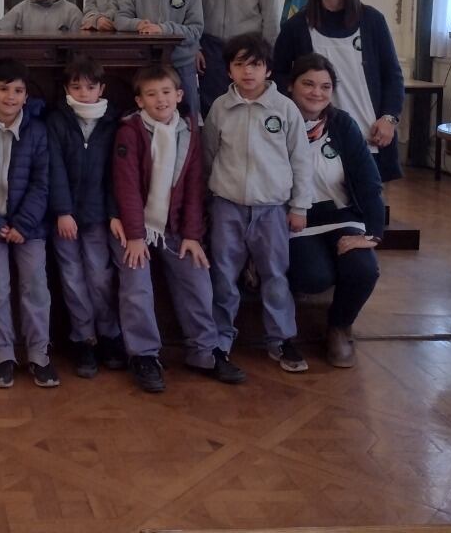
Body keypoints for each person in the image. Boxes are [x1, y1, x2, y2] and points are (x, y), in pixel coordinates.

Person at [110, 64, 246, 393]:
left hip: (173, 227)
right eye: (152, 94)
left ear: (179, 95)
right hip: (134, 227)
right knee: (137, 285)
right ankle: (144, 355)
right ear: (140, 101)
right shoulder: (130, 131)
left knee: (197, 279)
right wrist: (136, 237)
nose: (161, 100)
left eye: (167, 93)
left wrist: (191, 236)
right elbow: (126, 188)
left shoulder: (189, 132)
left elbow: (194, 187)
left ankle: (205, 350)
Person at [205, 33, 314, 374]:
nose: (248, 72)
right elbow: (209, 155)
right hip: (227, 206)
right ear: (229, 71)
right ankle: (221, 338)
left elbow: (301, 161)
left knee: (275, 275)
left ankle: (280, 338)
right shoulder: (220, 108)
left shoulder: (284, 109)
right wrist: (212, 198)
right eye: (239, 64)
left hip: (271, 209)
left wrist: (299, 207)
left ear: (268, 69)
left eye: (255, 64)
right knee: (223, 275)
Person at [285, 53, 385, 368]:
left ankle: (340, 326)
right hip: (298, 219)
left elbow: (369, 183)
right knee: (314, 277)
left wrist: (373, 235)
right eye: (309, 84)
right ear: (290, 87)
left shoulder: (342, 124)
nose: (317, 93)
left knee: (363, 268)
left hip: (342, 217)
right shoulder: (277, 121)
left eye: (325, 86)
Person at [273, 0, 405, 182]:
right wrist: (298, 115)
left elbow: (392, 75)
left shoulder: (372, 21)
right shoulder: (297, 26)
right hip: (312, 135)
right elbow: (279, 75)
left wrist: (389, 118)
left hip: (368, 134)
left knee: (367, 206)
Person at [0, 59, 59, 388]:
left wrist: (23, 223)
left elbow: (41, 183)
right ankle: (3, 355)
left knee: (35, 286)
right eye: (3, 89)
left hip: (29, 227)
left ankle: (39, 355)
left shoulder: (36, 131)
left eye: (18, 91)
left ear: (25, 95)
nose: (10, 97)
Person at [47, 57, 124, 378]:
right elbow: (54, 169)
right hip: (64, 218)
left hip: (97, 217)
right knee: (72, 279)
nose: (83, 93)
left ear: (101, 90)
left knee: (100, 277)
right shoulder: (57, 120)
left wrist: (112, 213)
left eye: (90, 87)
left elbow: (115, 176)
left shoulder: (112, 122)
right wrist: (63, 211)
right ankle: (83, 338)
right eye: (76, 87)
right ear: (66, 88)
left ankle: (109, 334)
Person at [114, 0, 203, 118]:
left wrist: (164, 29)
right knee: (147, 116)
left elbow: (195, 30)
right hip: (146, 63)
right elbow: (120, 19)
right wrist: (138, 24)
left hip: (182, 63)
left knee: (188, 115)